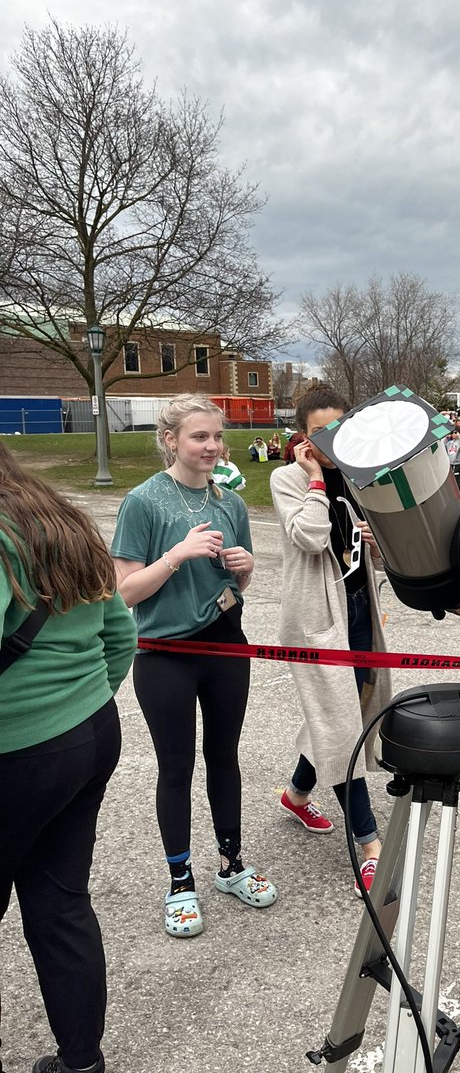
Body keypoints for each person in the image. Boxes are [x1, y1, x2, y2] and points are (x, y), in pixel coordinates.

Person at [0, 443, 136, 1073]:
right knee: (61, 906)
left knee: (59, 905)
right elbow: (120, 633)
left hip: (15, 750)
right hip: (85, 734)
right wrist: (82, 704)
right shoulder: (61, 517)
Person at [111, 394, 276, 938]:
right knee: (176, 767)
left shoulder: (229, 503)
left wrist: (245, 568)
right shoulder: (144, 501)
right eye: (198, 437)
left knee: (224, 757)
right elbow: (127, 592)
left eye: (216, 437)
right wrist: (175, 555)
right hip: (165, 654)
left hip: (226, 644)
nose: (211, 446)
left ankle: (230, 864)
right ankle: (180, 880)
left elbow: (236, 585)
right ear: (170, 441)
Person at [271, 385, 392, 897]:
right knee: (341, 722)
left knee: (346, 711)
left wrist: (372, 539)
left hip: (357, 611)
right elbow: (310, 537)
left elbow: (372, 549)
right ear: (302, 434)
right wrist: (317, 480)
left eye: (338, 428)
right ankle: (367, 842)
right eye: (320, 431)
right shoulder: (288, 477)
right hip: (317, 620)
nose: (331, 438)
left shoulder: (355, 477)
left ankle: (297, 795)